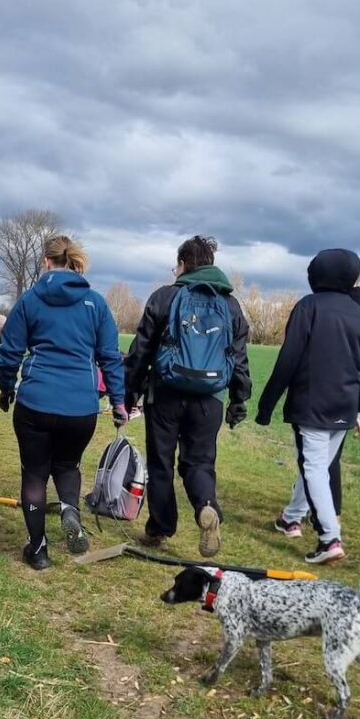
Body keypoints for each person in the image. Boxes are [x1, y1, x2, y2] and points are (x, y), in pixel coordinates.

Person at [0, 235, 126, 570]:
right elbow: (110, 357)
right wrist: (119, 401)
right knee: (67, 466)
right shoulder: (96, 304)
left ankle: (38, 550)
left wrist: (7, 388)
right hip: (80, 408)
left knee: (35, 475)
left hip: (36, 402)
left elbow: (10, 352)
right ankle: (70, 508)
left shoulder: (30, 300)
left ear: (46, 262)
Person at [123, 235, 251, 558]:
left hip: (165, 393)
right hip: (210, 399)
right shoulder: (230, 305)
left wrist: (130, 391)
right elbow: (238, 358)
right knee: (199, 462)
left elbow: (141, 351)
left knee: (161, 463)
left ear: (182, 265)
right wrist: (239, 399)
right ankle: (206, 508)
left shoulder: (164, 298)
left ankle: (160, 528)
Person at [256, 248, 360, 565]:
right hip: (344, 407)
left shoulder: (309, 307)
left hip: (312, 406)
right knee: (318, 468)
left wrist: (267, 404)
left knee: (313, 469)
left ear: (317, 275)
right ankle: (290, 518)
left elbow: (288, 360)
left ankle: (329, 538)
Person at [276, 284, 360, 540]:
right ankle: (294, 516)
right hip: (351, 402)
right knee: (319, 462)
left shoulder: (330, 314)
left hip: (319, 401)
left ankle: (327, 531)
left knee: (316, 464)